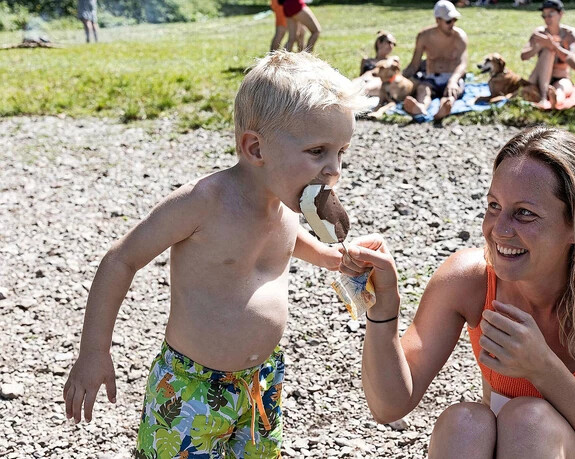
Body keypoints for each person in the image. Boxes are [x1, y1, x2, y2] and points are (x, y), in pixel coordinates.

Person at [62, 51, 369, 458]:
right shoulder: (203, 203)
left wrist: (333, 259)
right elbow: (121, 259)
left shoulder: (284, 204)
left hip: (262, 381)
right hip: (190, 388)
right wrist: (94, 351)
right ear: (256, 148)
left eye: (340, 152)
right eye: (317, 152)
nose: (334, 169)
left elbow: (288, 240)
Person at [340, 127, 575, 458]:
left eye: (524, 213)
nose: (499, 230)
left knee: (529, 421)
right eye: (494, 206)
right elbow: (389, 406)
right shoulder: (468, 279)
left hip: (566, 445)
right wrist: (382, 311)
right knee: (463, 423)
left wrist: (543, 368)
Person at [402, 0, 468, 121]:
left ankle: (443, 109)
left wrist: (453, 81)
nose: (452, 23)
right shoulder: (424, 36)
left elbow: (462, 63)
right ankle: (420, 107)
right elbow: (414, 64)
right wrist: (400, 79)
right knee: (423, 90)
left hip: (452, 76)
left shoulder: (460, 36)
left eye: (454, 20)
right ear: (437, 20)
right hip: (432, 77)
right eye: (448, 21)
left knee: (451, 93)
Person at [520, 0, 575, 107]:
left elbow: (570, 59)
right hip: (537, 78)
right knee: (548, 51)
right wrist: (540, 46)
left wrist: (553, 45)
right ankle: (543, 96)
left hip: (560, 77)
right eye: (544, 16)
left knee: (562, 89)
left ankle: (554, 101)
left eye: (550, 15)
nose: (547, 19)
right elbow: (523, 56)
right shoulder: (539, 33)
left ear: (561, 14)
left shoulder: (569, 33)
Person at [353, 31, 398, 97]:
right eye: (389, 42)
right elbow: (361, 75)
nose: (391, 46)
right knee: (351, 85)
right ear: (379, 43)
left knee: (364, 89)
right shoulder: (366, 60)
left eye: (394, 44)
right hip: (364, 79)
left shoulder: (393, 59)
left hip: (379, 81)